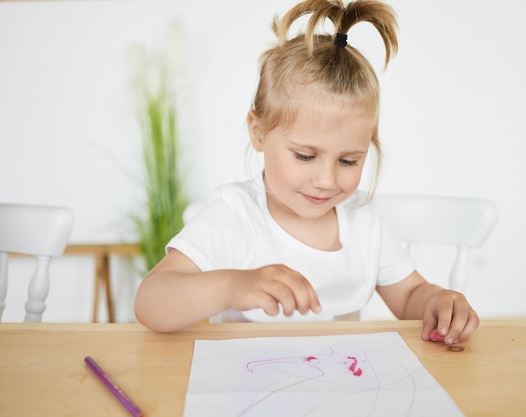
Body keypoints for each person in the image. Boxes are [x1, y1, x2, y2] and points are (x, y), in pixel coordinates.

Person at [134, 0, 479, 344]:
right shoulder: (235, 214)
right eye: (304, 156)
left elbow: (408, 295)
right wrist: (230, 286)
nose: (327, 181)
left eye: (348, 161)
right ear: (258, 132)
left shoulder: (361, 220)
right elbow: (150, 302)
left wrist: (436, 301)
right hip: (249, 388)